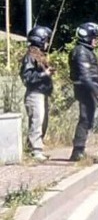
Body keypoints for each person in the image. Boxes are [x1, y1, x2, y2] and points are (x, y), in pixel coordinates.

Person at [69, 22, 98, 162]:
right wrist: (97, 92)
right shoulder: (81, 51)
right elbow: (85, 76)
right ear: (87, 37)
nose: (96, 41)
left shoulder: (86, 51)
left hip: (88, 88)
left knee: (88, 119)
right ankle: (78, 151)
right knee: (85, 118)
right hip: (85, 89)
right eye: (94, 38)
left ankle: (80, 150)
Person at [21, 26, 53, 162]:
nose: (47, 43)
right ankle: (36, 150)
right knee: (37, 121)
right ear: (40, 39)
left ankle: (34, 148)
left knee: (43, 121)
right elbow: (27, 77)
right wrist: (44, 73)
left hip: (42, 93)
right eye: (46, 39)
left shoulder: (38, 54)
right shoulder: (30, 56)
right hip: (35, 94)